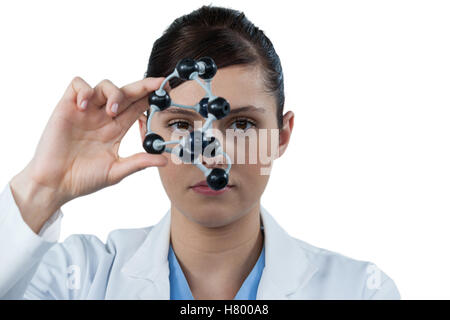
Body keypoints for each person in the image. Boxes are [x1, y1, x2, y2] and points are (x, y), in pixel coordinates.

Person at [0, 5, 400, 300]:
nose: (211, 156)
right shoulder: (77, 277)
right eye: (180, 124)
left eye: (242, 125)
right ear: (145, 131)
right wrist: (43, 186)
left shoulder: (361, 291)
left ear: (281, 136)